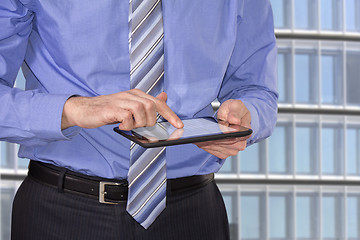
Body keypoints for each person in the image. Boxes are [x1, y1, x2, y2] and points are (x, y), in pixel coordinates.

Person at [0, 0, 278, 239]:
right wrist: (74, 110)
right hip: (60, 214)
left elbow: (258, 90)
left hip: (194, 214)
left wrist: (246, 115)